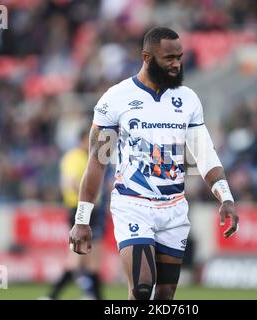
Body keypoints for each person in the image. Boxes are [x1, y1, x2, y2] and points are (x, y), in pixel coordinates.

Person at [69, 27, 239, 300]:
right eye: (168, 58)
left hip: (174, 208)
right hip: (133, 204)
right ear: (147, 57)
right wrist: (82, 219)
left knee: (165, 293)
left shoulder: (187, 100)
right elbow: (97, 163)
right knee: (142, 287)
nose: (176, 64)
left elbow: (204, 155)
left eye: (179, 57)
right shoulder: (117, 99)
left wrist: (226, 198)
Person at [42, 129, 111, 300]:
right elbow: (70, 182)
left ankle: (91, 295)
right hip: (80, 209)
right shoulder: (74, 157)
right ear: (83, 140)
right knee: (77, 258)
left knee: (92, 260)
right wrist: (88, 198)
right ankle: (52, 296)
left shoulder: (95, 158)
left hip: (95, 209)